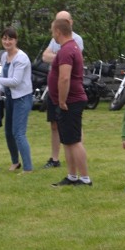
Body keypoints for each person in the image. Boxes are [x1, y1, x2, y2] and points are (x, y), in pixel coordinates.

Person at [48, 17, 92, 187]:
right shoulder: (69, 47)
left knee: (74, 140)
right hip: (69, 100)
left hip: (70, 101)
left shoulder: (67, 50)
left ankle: (85, 178)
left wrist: (61, 100)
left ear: (58, 32)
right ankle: (72, 176)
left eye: (53, 32)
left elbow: (64, 78)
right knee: (67, 140)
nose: (53, 35)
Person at [42, 10, 84, 169]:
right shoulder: (58, 42)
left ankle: (81, 170)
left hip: (67, 94)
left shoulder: (74, 41)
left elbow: (65, 74)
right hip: (56, 94)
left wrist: (62, 100)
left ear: (70, 22)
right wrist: (57, 56)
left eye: (63, 20)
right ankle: (55, 159)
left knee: (73, 132)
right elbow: (45, 56)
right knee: (55, 125)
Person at [0, 27, 34, 173]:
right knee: (9, 132)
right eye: (4, 38)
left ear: (15, 40)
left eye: (10, 39)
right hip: (9, 97)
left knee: (18, 133)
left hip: (22, 98)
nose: (7, 41)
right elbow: (6, 78)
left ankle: (28, 168)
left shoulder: (21, 58)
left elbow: (15, 81)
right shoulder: (4, 56)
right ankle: (15, 162)